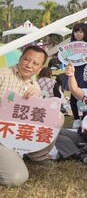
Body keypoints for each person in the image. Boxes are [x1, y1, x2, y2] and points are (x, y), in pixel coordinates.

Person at [0, 46, 57, 187]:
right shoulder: (3, 74)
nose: (29, 65)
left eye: (35, 63)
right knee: (15, 179)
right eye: (27, 59)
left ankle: (37, 156)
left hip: (14, 136)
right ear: (20, 59)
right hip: (2, 133)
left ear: (40, 68)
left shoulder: (35, 87)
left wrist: (36, 100)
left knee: (57, 117)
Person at [69, 23, 87, 121]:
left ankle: (85, 117)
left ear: (85, 33)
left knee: (85, 95)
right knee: (73, 94)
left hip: (85, 72)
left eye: (81, 32)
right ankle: (76, 118)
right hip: (74, 72)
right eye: (76, 31)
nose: (78, 34)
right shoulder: (69, 46)